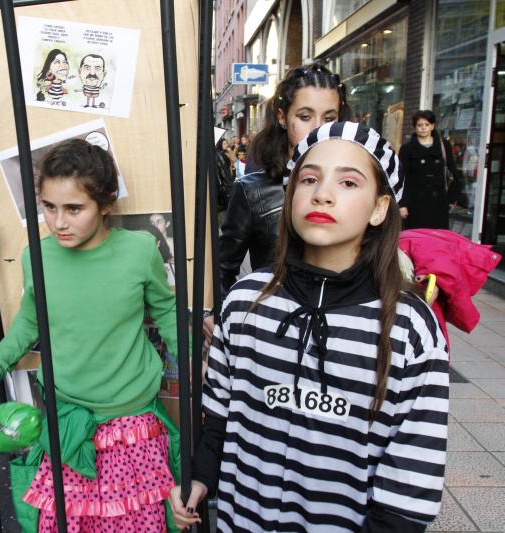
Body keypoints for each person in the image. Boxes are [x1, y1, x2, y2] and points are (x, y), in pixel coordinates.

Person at [171, 122, 449, 532]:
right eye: (309, 178)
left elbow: (410, 478)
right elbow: (220, 414)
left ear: (379, 208)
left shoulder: (409, 327)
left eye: (349, 183)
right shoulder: (246, 302)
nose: (323, 193)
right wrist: (199, 477)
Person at [0, 138, 181, 532]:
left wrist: (198, 363)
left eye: (74, 209)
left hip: (131, 424)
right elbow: (30, 323)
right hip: (65, 423)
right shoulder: (37, 256)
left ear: (106, 203)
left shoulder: (139, 249)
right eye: (49, 207)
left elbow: (166, 311)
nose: (59, 221)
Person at [220, 64, 349, 294]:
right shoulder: (253, 191)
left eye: (329, 118)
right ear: (282, 117)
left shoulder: (355, 188)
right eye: (305, 116)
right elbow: (223, 268)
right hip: (273, 322)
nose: (319, 128)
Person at [398, 110, 460, 229]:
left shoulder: (444, 146)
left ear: (432, 126)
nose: (423, 128)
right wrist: (402, 204)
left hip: (439, 202)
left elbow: (452, 171)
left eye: (427, 125)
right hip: (415, 203)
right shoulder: (407, 149)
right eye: (420, 125)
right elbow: (401, 177)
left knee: (438, 239)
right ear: (415, 127)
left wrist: (453, 197)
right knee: (417, 239)